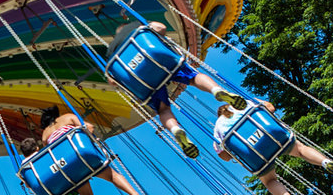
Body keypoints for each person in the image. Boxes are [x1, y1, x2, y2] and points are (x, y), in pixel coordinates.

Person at [104, 20, 245, 158]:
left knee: (163, 109)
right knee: (193, 78)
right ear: (125, 26)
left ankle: (175, 129)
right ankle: (215, 90)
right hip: (158, 58)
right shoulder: (136, 26)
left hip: (141, 79)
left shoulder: (111, 52)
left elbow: (112, 80)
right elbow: (161, 27)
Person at [213, 99, 333, 195]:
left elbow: (224, 156)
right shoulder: (242, 102)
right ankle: (325, 162)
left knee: (269, 181)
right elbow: (270, 107)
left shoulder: (218, 128)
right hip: (272, 134)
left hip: (254, 153)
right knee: (300, 149)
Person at [34, 112, 155, 195]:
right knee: (112, 175)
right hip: (81, 153)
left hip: (66, 166)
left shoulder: (45, 134)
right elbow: (89, 127)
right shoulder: (67, 117)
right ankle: (134, 194)